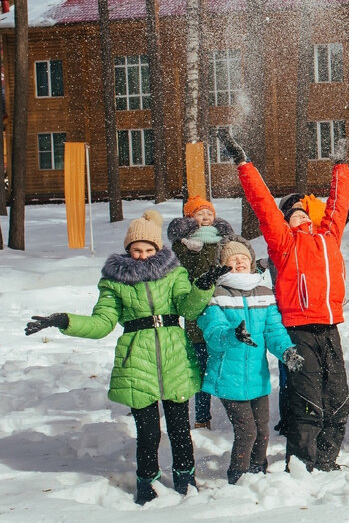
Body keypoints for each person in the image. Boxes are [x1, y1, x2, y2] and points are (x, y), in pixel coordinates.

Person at [25, 211, 225, 504]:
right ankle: (148, 482)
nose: (142, 256)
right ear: (128, 250)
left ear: (157, 250)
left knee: (180, 430)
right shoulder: (114, 282)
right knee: (147, 432)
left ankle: (186, 479)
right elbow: (101, 323)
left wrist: (203, 286)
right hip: (136, 362)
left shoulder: (174, 274)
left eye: (148, 250)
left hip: (174, 359)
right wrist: (64, 320)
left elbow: (188, 309)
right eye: (136, 250)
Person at [222, 134, 349, 472]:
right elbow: (263, 205)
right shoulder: (283, 243)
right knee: (307, 400)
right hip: (298, 329)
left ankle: (327, 459)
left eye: (301, 213)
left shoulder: (328, 238)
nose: (297, 217)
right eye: (291, 214)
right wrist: (243, 164)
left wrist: (339, 166)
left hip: (329, 326)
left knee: (338, 401)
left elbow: (338, 206)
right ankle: (301, 462)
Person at [198, 239, 300, 484]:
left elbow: (273, 330)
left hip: (257, 375)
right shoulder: (216, 295)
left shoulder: (263, 293)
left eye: (244, 258)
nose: (240, 262)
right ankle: (238, 474)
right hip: (228, 377)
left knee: (263, 430)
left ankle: (258, 469)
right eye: (233, 259)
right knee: (247, 431)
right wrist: (233, 335)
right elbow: (213, 332)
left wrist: (286, 351)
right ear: (223, 266)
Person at [168, 195, 239, 430]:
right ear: (190, 219)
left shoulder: (224, 240)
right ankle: (202, 416)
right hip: (197, 310)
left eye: (209, 212)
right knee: (202, 365)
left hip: (222, 306)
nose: (206, 217)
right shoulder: (185, 244)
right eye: (200, 213)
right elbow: (194, 271)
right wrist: (205, 247)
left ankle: (238, 414)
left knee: (227, 364)